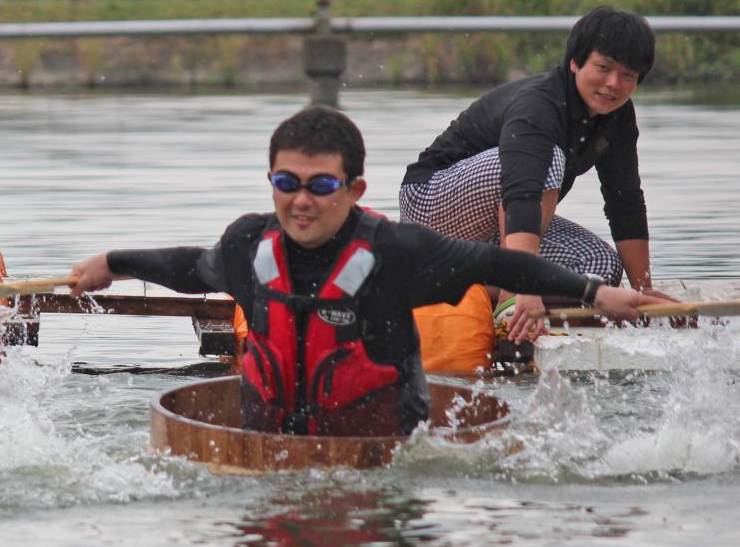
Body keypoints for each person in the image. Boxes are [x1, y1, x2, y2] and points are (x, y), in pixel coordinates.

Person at [68, 107, 666, 438]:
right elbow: (189, 268)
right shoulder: (249, 245)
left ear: (354, 189)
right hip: (270, 450)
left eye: (322, 186)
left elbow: (492, 260)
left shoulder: (395, 253)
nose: (302, 201)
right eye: (287, 184)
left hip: (388, 457)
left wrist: (594, 291)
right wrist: (112, 264)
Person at [399, 5, 669, 342]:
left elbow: (624, 202)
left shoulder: (618, 116)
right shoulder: (539, 104)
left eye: (628, 75)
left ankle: (471, 284)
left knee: (602, 268)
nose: (613, 84)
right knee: (548, 160)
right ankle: (513, 293)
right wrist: (526, 284)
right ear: (575, 62)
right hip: (432, 203)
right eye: (604, 68)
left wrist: (644, 293)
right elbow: (522, 192)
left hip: (501, 223)